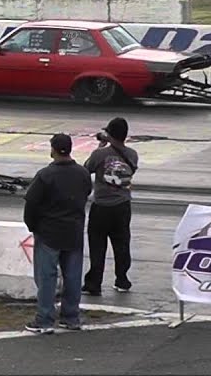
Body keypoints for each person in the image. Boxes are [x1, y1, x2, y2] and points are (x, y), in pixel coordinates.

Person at [23, 133, 92, 334]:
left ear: (52, 150)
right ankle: (71, 317)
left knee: (47, 277)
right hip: (74, 231)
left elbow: (31, 204)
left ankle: (44, 319)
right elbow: (86, 192)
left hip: (49, 233)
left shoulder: (45, 175)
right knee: (73, 276)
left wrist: (33, 226)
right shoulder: (82, 173)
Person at [83, 117, 139, 295]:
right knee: (122, 244)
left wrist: (100, 146)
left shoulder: (100, 154)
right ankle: (122, 280)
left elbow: (86, 169)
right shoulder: (132, 154)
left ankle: (94, 284)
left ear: (109, 134)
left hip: (101, 206)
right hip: (123, 206)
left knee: (97, 246)